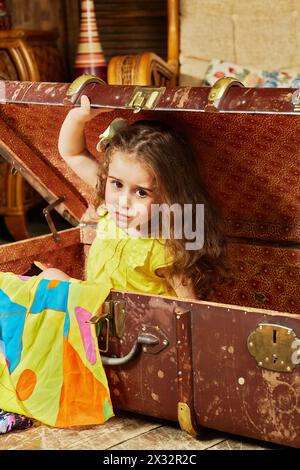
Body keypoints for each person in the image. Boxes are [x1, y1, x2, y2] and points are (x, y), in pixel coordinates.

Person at [40, 95, 225, 300]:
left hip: (137, 325)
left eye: (141, 192)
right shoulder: (108, 199)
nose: (122, 201)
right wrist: (78, 116)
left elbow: (190, 306)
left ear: (168, 198)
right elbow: (73, 153)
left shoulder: (168, 248)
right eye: (117, 184)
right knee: (49, 277)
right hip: (93, 309)